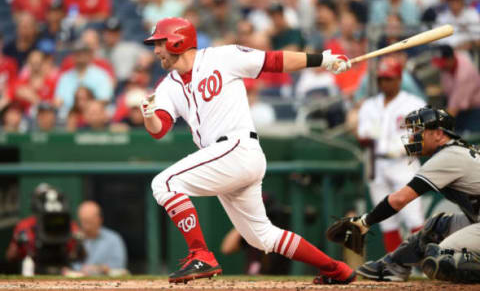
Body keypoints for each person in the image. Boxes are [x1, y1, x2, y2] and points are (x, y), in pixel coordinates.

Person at [141, 17, 353, 284]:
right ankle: (336, 269)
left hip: (236, 147)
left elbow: (274, 61)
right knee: (261, 236)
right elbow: (160, 129)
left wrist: (321, 60)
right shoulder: (168, 85)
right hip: (227, 159)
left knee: (164, 183)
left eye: (159, 42)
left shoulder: (222, 56)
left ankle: (201, 254)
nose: (156, 50)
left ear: (177, 40)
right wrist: (148, 116)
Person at [351, 107, 480, 283]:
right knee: (436, 227)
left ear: (438, 133)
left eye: (419, 131)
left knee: (440, 259)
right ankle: (394, 266)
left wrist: (364, 222)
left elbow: (399, 199)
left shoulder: (447, 156)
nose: (412, 137)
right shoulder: (458, 150)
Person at [356, 56, 426, 253]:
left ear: (399, 79)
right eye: (381, 79)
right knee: (387, 221)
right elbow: (362, 135)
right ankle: (395, 267)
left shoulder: (413, 103)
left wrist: (406, 147)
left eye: (389, 78)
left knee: (414, 217)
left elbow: (423, 136)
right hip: (376, 163)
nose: (384, 83)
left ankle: (424, 264)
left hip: (404, 163)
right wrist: (366, 137)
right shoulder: (370, 105)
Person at [5, 183, 83, 274]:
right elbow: (10, 257)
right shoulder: (25, 226)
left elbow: (80, 256)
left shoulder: (68, 224)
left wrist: (78, 244)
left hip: (64, 270)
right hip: (34, 270)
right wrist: (18, 243)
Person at [432, 45, 480, 133]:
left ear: (451, 59)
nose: (441, 67)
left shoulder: (464, 72)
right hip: (460, 108)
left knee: (468, 138)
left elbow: (454, 108)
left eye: (443, 63)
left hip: (475, 110)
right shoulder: (448, 67)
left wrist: (437, 126)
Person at [72, 201, 127, 276]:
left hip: (108, 285)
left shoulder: (113, 239)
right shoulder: (73, 239)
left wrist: (98, 269)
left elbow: (118, 267)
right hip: (76, 285)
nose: (87, 226)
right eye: (84, 221)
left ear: (100, 219)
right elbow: (69, 267)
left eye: (90, 221)